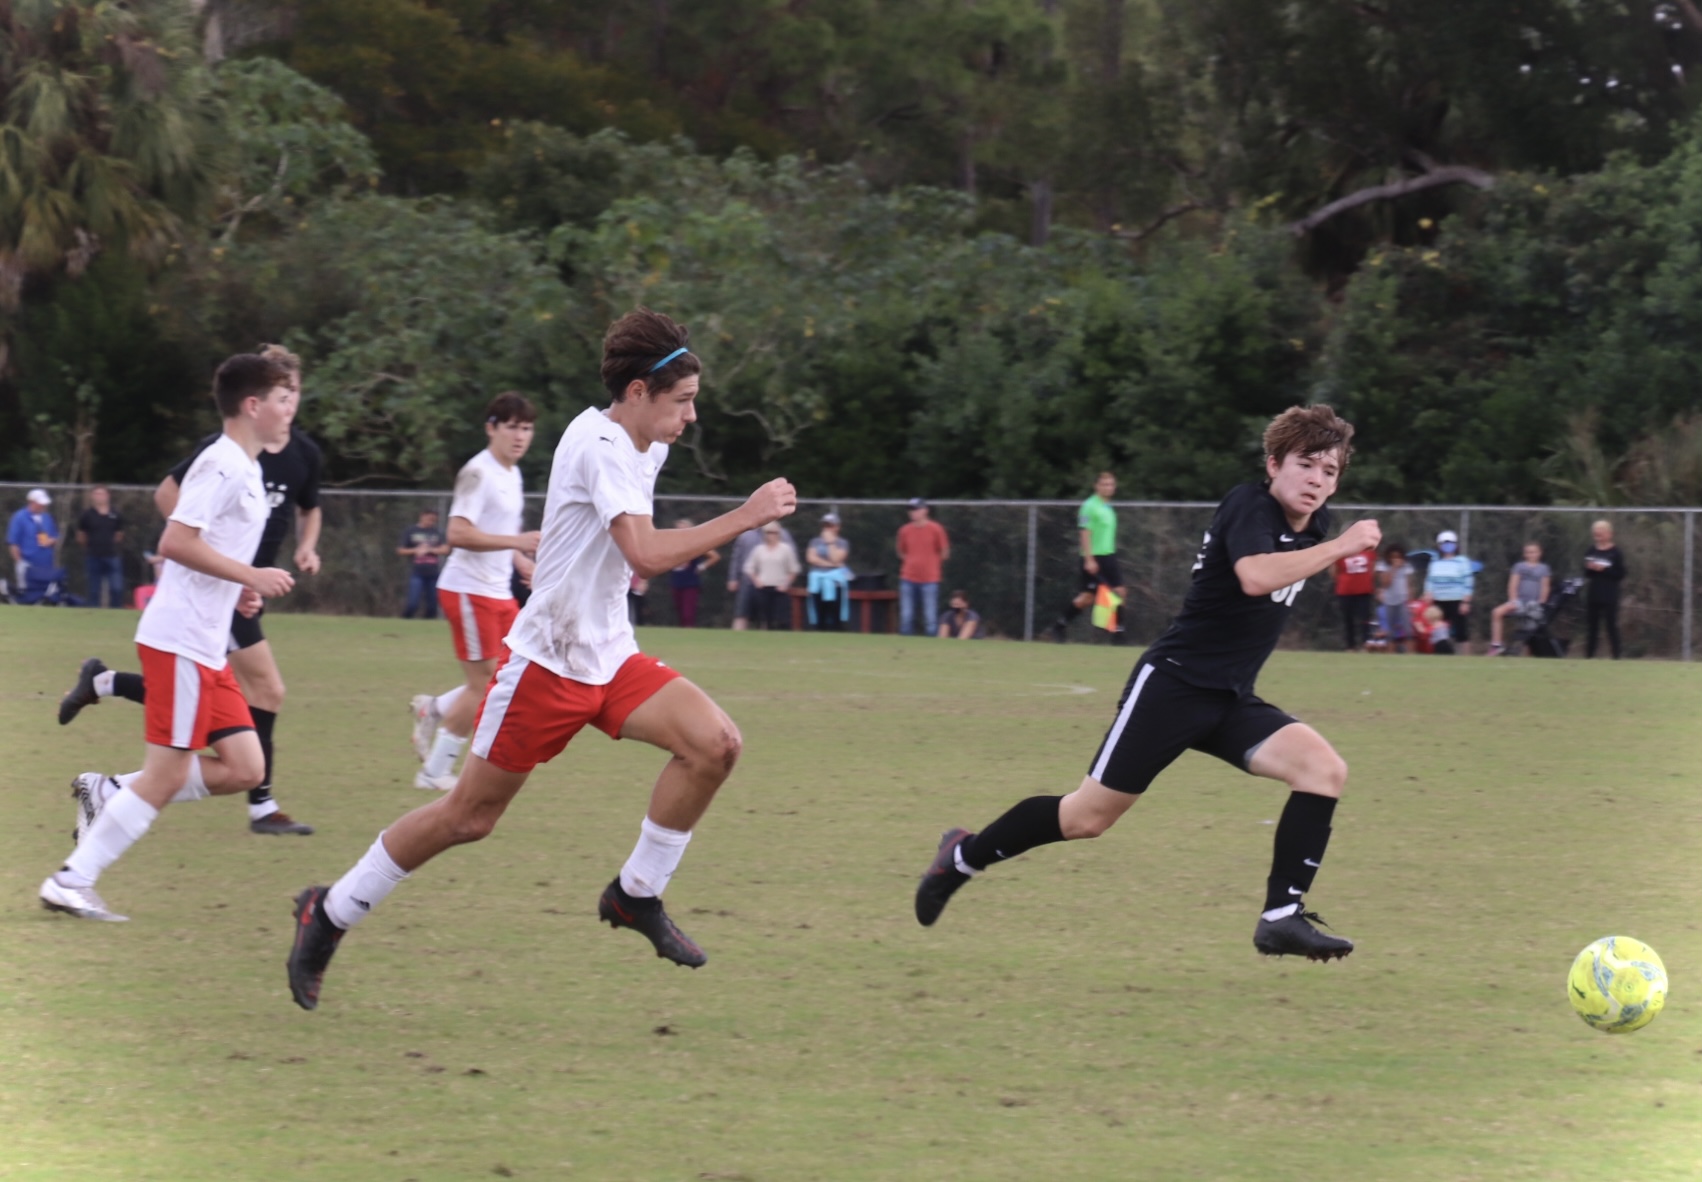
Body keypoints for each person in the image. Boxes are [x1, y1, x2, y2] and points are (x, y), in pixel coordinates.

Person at [285, 307, 798, 1010]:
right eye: (683, 402)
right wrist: (748, 514)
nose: (692, 417)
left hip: (610, 655)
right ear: (640, 393)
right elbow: (644, 553)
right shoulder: (599, 443)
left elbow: (610, 546)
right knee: (468, 817)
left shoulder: (649, 446)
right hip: (548, 663)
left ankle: (634, 895)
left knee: (716, 745)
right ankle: (332, 910)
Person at [913, 404, 1377, 963]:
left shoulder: (1315, 526)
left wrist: (1329, 542)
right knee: (1086, 818)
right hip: (1173, 689)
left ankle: (1281, 917)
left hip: (1230, 699)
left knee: (1324, 770)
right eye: (1306, 464)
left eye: (1330, 472)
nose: (1317, 480)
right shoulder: (1248, 504)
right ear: (1274, 463)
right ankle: (961, 857)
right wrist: (1340, 547)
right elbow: (1254, 576)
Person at [38, 353, 298, 922]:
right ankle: (72, 879)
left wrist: (240, 591)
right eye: (283, 399)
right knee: (169, 772)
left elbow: (212, 555)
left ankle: (108, 792)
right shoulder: (223, 465)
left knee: (246, 768)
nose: (291, 410)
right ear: (252, 406)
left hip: (208, 643)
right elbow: (176, 542)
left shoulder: (249, 470)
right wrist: (250, 575)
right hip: (179, 639)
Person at [409, 393, 540, 792]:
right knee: (485, 684)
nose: (520, 436)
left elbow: (498, 534)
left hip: (499, 592)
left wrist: (521, 562)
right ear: (491, 428)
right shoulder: (478, 473)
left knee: (517, 672)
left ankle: (434, 709)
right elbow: (458, 533)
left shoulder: (512, 474)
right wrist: (517, 540)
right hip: (468, 592)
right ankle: (433, 772)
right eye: (512, 427)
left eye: (527, 428)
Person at [1049, 472, 1126, 642]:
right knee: (1088, 597)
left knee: (1120, 591)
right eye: (1104, 484)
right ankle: (1059, 626)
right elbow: (1084, 533)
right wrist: (1089, 559)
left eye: (1111, 484)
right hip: (1095, 557)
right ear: (1096, 486)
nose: (1108, 487)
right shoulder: (1090, 506)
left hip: (1109, 556)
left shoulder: (1108, 506)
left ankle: (1118, 635)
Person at [896, 497, 950, 637]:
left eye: (916, 510)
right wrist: (912, 561)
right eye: (911, 510)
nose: (913, 513)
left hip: (930, 579)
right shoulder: (904, 530)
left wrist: (932, 563)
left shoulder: (936, 529)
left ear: (925, 510)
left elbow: (944, 551)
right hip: (908, 577)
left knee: (930, 618)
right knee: (906, 616)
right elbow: (901, 551)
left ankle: (931, 646)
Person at [726, 523, 796, 630]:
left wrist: (786, 582)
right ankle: (735, 640)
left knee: (770, 616)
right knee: (742, 613)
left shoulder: (784, 534)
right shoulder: (746, 535)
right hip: (748, 582)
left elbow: (791, 561)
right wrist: (733, 578)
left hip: (774, 584)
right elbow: (737, 557)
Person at [1489, 542, 1551, 655]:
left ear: (1539, 553)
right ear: (1524, 554)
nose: (1531, 554)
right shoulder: (1519, 567)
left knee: (1532, 630)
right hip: (1519, 603)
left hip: (1534, 606)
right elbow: (1512, 585)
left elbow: (1545, 587)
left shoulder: (1544, 569)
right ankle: (1496, 646)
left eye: (1533, 552)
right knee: (1496, 612)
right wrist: (1513, 601)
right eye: (1528, 552)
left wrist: (1541, 603)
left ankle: (1530, 655)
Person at [1423, 529, 1475, 655]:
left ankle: (1465, 659)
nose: (1447, 545)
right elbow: (1429, 580)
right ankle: (1442, 654)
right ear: (1439, 545)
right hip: (1438, 601)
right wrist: (1428, 593)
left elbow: (1468, 581)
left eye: (1450, 542)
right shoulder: (1434, 562)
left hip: (1457, 600)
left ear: (1456, 545)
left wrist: (1466, 602)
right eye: (1444, 543)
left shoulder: (1462, 561)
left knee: (1461, 632)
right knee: (1439, 630)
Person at [77, 485, 126, 608]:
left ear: (107, 496)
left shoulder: (115, 514)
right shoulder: (87, 515)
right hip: (93, 555)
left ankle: (116, 611)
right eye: (96, 494)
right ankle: (94, 612)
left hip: (112, 555)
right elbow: (81, 535)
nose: (99, 497)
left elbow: (119, 534)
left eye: (102, 494)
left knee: (116, 587)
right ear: (92, 496)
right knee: (94, 588)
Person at [1583, 520, 1626, 659]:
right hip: (1594, 594)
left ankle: (1616, 657)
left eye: (1600, 534)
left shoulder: (1616, 552)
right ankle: (1589, 657)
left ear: (1609, 534)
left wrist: (1605, 570)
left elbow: (1620, 574)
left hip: (1610, 594)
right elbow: (1586, 573)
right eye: (1596, 535)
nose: (1598, 537)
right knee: (1592, 627)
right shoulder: (1591, 550)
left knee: (1611, 626)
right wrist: (1591, 568)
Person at [667, 519, 719, 628]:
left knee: (688, 613)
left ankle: (689, 631)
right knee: (679, 611)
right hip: (676, 580)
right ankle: (682, 633)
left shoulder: (696, 544)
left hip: (690, 581)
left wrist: (701, 567)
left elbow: (714, 556)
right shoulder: (672, 544)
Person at [398, 508, 449, 619]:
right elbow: (401, 550)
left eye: (434, 520)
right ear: (422, 516)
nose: (431, 522)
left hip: (433, 572)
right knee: (413, 603)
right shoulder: (411, 531)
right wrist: (416, 550)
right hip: (416, 572)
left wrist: (430, 550)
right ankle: (404, 621)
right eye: (429, 518)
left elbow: (445, 549)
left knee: (432, 605)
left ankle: (428, 624)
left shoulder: (437, 532)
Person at [805, 512, 852, 631]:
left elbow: (837, 558)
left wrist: (830, 543)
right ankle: (818, 629)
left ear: (837, 527)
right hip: (818, 581)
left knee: (834, 609)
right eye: (825, 525)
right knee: (818, 609)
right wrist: (830, 564)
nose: (827, 529)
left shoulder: (842, 543)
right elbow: (811, 558)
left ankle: (836, 630)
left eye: (830, 525)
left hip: (835, 582)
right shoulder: (815, 541)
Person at [8, 487, 60, 591]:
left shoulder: (47, 518)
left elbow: (55, 537)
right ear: (31, 502)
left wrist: (51, 541)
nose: (43, 506)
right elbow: (13, 543)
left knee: (44, 593)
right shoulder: (19, 517)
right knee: (27, 592)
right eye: (40, 503)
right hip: (27, 563)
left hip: (45, 563)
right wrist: (19, 562)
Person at [1332, 541, 1376, 651]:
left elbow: (1372, 568)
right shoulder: (1341, 552)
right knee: (1348, 619)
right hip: (1345, 591)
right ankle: (1350, 646)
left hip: (1364, 591)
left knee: (1365, 619)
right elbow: (1334, 571)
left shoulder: (1368, 550)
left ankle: (1366, 643)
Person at [1375, 544, 1413, 654]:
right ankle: (1391, 654)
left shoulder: (1407, 566)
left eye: (1398, 556)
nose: (1396, 559)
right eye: (1393, 556)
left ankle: (1411, 654)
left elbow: (1409, 584)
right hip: (1389, 601)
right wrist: (1393, 568)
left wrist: (1410, 599)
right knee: (1390, 631)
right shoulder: (1382, 566)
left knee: (1408, 630)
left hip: (1402, 600)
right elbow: (1385, 584)